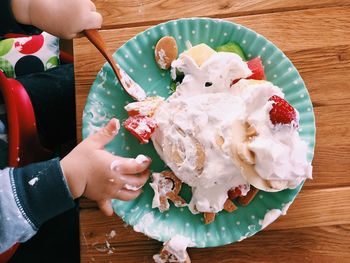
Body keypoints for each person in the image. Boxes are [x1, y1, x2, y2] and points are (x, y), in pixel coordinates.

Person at [0, 0, 152, 259]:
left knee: (90, 80)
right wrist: (67, 179)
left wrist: (25, 7)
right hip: (25, 214)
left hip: (10, 107)